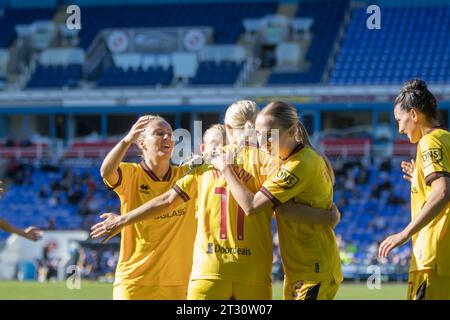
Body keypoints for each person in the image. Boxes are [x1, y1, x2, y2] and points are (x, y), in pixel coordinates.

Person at [91, 100, 340, 300]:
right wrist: (329, 215)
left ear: (228, 129)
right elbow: (283, 207)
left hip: (209, 272)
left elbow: (167, 200)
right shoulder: (273, 161)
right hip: (253, 273)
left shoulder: (206, 162)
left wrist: (123, 220)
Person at [211, 101, 343, 300]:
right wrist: (328, 216)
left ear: (291, 132)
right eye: (260, 135)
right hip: (300, 268)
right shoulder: (289, 159)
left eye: (270, 135)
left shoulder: (299, 164)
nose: (263, 143)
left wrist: (226, 169)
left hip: (314, 267)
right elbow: (284, 209)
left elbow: (253, 206)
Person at [99, 115, 197, 300]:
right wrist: (127, 139)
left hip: (178, 283)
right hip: (134, 280)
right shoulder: (131, 174)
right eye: (159, 133)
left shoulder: (186, 175)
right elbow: (106, 171)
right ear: (142, 143)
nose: (167, 137)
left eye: (170, 134)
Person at [379, 79, 450, 300]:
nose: (399, 128)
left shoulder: (429, 142)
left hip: (433, 256)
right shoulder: (446, 139)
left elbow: (442, 191)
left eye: (399, 120)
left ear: (414, 115)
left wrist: (404, 233)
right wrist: (418, 182)